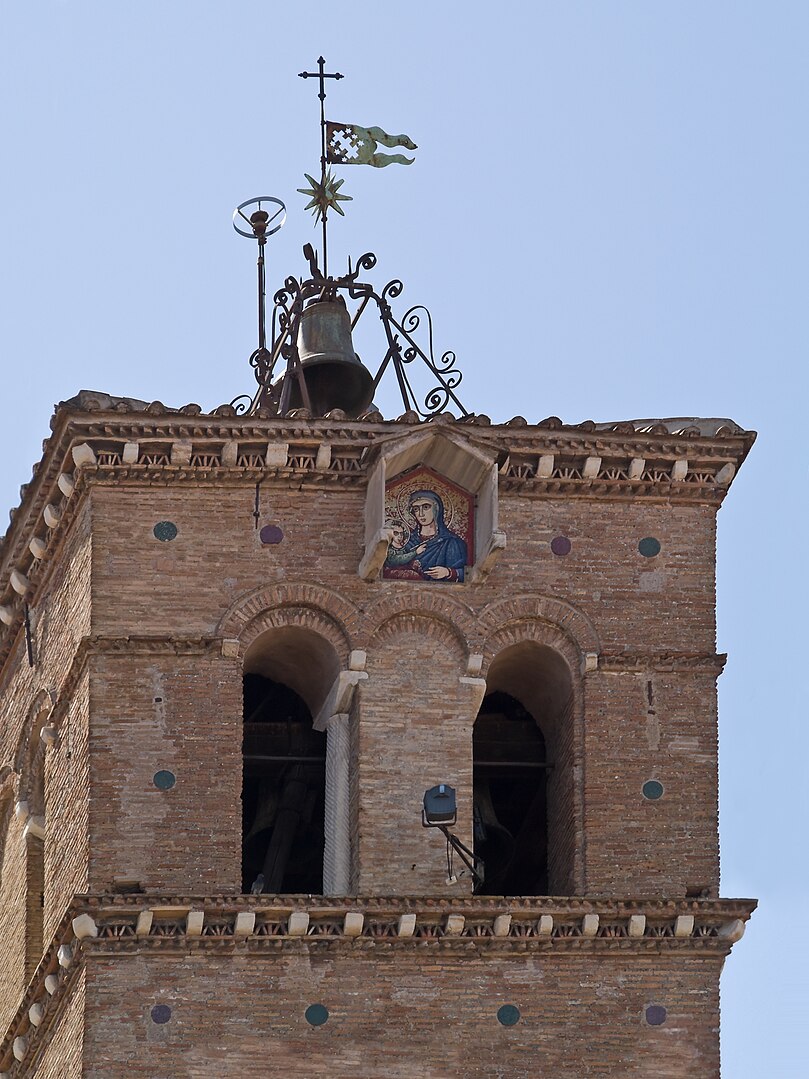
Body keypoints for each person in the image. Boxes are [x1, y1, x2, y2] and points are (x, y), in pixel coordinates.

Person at [384, 489, 467, 582]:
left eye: (426, 507)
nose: (421, 514)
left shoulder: (452, 542)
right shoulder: (406, 541)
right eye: (416, 509)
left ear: (436, 509)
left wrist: (448, 572)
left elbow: (468, 574)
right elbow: (388, 567)